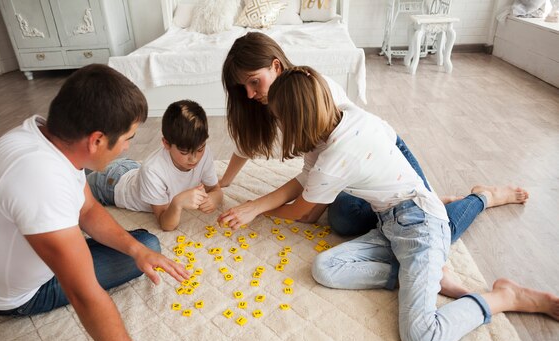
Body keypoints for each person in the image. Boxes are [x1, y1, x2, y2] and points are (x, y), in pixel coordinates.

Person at [218, 66, 559, 341]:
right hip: (391, 222)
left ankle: (503, 296)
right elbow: (307, 177)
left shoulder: (335, 159)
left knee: (422, 337)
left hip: (423, 224)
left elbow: (303, 213)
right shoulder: (344, 115)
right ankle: (427, 277)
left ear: (294, 121)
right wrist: (253, 206)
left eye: (279, 120)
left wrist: (256, 212)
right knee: (325, 267)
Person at [0, 64, 190, 341]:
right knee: (144, 246)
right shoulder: (43, 181)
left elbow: (88, 210)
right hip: (14, 297)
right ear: (96, 140)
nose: (126, 149)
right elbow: (83, 293)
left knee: (144, 246)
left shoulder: (45, 138)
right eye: (127, 140)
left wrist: (137, 251)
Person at [220, 32, 529, 241]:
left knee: (437, 231)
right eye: (242, 88)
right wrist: (224, 184)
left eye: (253, 82)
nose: (248, 95)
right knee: (343, 220)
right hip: (349, 168)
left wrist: (260, 207)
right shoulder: (269, 101)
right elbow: (266, 155)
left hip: (385, 153)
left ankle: (482, 197)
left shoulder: (312, 96)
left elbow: (306, 209)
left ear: (275, 66)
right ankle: (424, 203)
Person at [87, 99, 222, 231]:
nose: (194, 159)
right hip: (110, 184)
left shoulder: (205, 153)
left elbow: (215, 189)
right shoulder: (152, 170)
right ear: (166, 144)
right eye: (184, 152)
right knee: (74, 181)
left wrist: (214, 198)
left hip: (133, 169)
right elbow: (166, 224)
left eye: (199, 149)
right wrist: (177, 203)